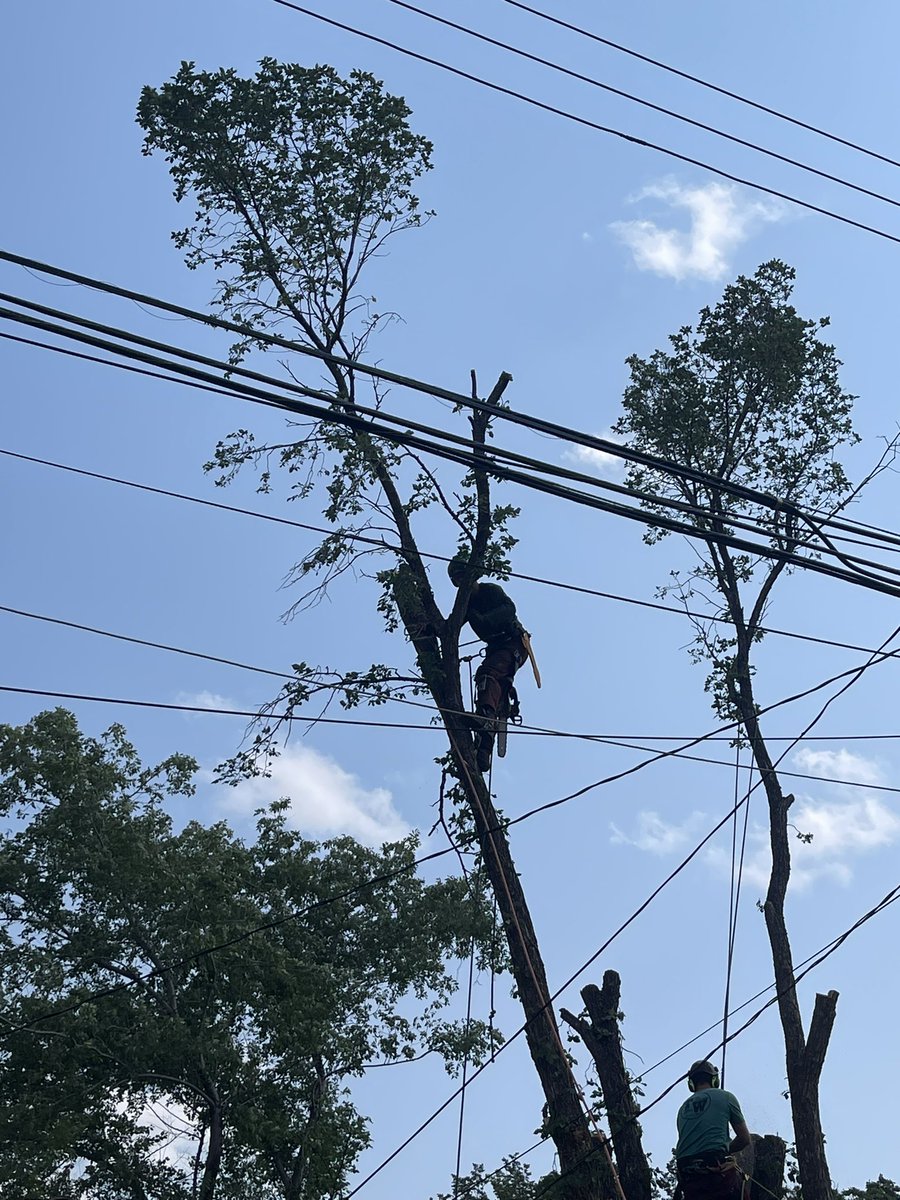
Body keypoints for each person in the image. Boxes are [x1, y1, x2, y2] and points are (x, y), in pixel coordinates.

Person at [447, 557, 529, 772]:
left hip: (513, 643)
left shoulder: (491, 591)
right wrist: (432, 630)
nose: (460, 583)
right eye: (456, 580)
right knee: (487, 687)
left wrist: (483, 619)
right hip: (497, 648)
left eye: (462, 577)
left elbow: (509, 610)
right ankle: (483, 749)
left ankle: (486, 717)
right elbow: (450, 627)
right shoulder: (465, 604)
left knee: (488, 674)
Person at [674, 1060, 751, 1200]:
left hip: (687, 1174)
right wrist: (724, 1152)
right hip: (714, 1168)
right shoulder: (726, 1097)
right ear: (714, 1079)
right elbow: (744, 1139)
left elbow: (693, 1144)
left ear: (691, 1083)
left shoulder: (683, 1108)